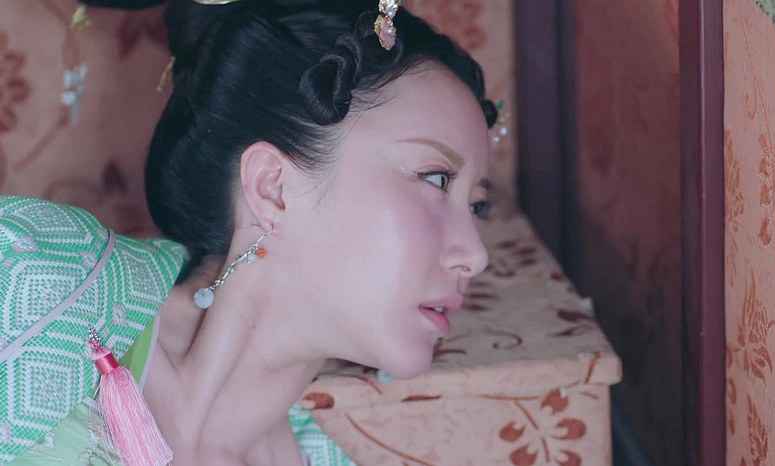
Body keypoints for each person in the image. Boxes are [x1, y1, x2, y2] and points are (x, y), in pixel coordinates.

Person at [0, 0, 497, 464]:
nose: (475, 257)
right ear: (272, 186)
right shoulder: (35, 289)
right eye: (436, 179)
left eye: (477, 206)